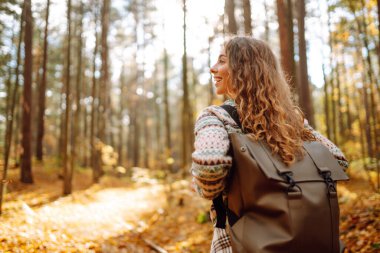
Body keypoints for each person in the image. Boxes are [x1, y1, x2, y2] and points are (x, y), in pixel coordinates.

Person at [190, 36, 349, 253]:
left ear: (242, 68)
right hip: (304, 239)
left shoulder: (215, 117)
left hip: (239, 242)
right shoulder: (291, 119)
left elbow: (209, 167)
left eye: (222, 61)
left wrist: (202, 185)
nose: (213, 68)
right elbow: (339, 160)